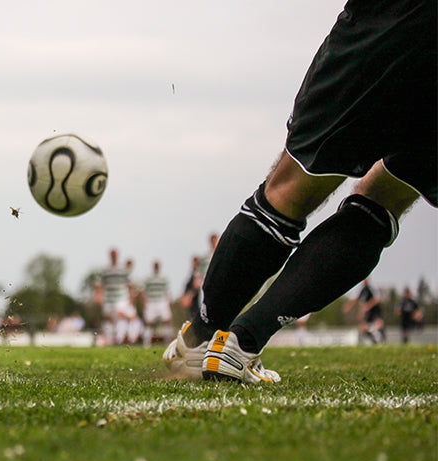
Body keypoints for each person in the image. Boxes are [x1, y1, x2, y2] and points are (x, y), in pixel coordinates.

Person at [164, 0, 436, 383]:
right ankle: (241, 344)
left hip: (391, 17)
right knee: (386, 197)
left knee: (290, 187)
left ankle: (200, 339)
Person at [95, 248, 130, 346]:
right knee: (108, 318)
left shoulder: (123, 269)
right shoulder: (105, 270)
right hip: (108, 298)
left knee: (120, 316)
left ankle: (119, 339)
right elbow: (99, 284)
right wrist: (98, 295)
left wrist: (130, 298)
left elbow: (129, 283)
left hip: (121, 297)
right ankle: (109, 340)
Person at [343, 278, 386, 344]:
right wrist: (349, 306)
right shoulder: (363, 290)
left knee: (379, 324)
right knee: (363, 327)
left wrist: (368, 306)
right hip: (368, 311)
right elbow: (357, 299)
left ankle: (381, 339)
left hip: (375, 310)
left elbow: (377, 299)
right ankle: (373, 341)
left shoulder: (372, 288)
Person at [143, 260, 173, 345]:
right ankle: (146, 343)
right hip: (151, 302)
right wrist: (145, 301)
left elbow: (168, 291)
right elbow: (144, 291)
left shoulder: (163, 278)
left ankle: (168, 342)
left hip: (162, 301)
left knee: (167, 321)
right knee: (149, 322)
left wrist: (169, 302)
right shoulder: (148, 279)